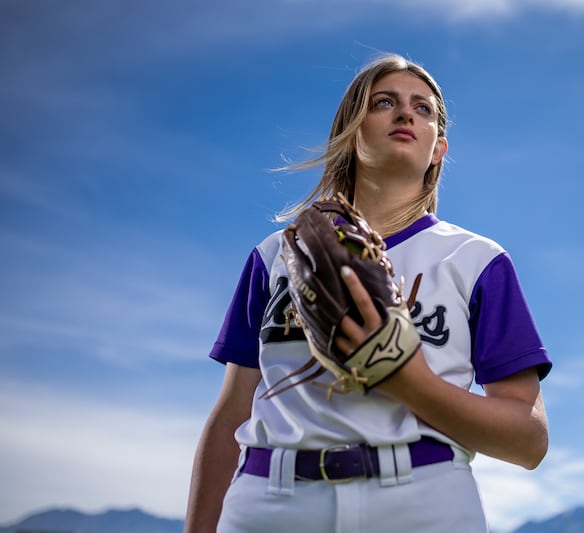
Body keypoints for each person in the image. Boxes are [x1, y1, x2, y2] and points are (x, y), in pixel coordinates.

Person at [184, 53, 552, 533]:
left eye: (423, 108)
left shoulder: (476, 260)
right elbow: (232, 412)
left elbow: (528, 441)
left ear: (438, 149)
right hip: (272, 501)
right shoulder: (277, 255)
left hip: (422, 500)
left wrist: (408, 382)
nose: (405, 114)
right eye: (384, 102)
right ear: (351, 131)